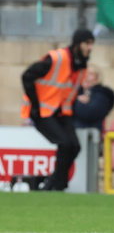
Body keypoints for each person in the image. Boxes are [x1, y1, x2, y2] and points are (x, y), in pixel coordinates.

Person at [21, 29, 95, 191]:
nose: (90, 48)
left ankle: (56, 181)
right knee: (64, 143)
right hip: (42, 111)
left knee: (74, 146)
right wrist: (35, 105)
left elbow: (70, 92)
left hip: (62, 113)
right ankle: (54, 185)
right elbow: (27, 76)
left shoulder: (81, 67)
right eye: (87, 43)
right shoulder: (56, 58)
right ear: (76, 44)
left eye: (91, 44)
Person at [72, 64, 114, 132]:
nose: (86, 76)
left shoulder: (103, 94)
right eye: (84, 73)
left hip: (90, 133)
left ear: (98, 77)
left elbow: (89, 113)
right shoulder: (76, 92)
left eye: (90, 74)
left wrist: (76, 102)